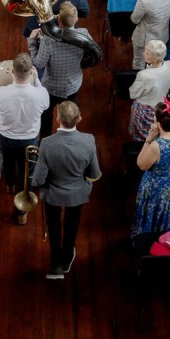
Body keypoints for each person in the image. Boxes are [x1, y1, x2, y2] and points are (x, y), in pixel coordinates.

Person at [31, 100, 101, 279]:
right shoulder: (89, 140)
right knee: (72, 226)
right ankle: (67, 257)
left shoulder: (46, 143)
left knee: (53, 225)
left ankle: (55, 265)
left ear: (57, 120)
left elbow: (38, 179)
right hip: (77, 194)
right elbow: (94, 172)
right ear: (79, 119)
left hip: (52, 194)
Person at [0, 53, 49, 211]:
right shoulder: (41, 94)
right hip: (30, 139)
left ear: (12, 72)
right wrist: (38, 80)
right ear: (31, 72)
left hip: (7, 138)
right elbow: (46, 105)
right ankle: (23, 196)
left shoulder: (0, 93)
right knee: (28, 169)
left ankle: (10, 185)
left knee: (8, 161)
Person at [28, 2, 95, 136]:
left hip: (51, 88)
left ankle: (45, 138)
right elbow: (92, 54)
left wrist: (32, 42)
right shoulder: (85, 34)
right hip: (73, 86)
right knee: (69, 116)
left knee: (46, 115)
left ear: (59, 20)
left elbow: (38, 64)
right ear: (76, 19)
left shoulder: (48, 40)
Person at [131, 100, 170, 241]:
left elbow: (141, 164)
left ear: (157, 121)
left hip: (159, 189)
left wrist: (149, 139)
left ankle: (151, 238)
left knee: (155, 213)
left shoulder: (157, 146)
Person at [128, 39, 170, 142]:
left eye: (146, 52)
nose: (144, 53)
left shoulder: (144, 75)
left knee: (143, 134)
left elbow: (132, 93)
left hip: (145, 109)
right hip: (162, 105)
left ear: (153, 59)